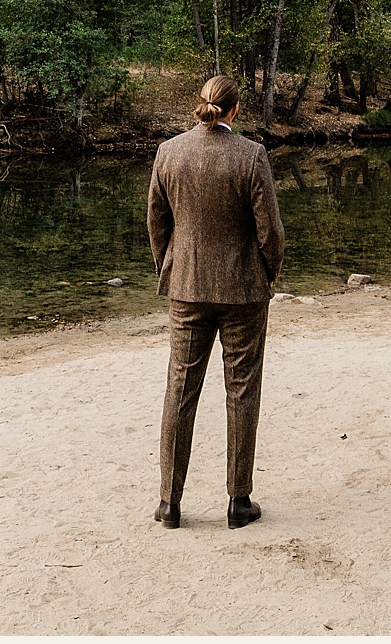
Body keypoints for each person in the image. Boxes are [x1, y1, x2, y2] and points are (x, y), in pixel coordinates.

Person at [145, 73, 285, 529]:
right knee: (241, 390)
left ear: (199, 106)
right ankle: (238, 502)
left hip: (187, 289)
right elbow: (271, 233)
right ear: (235, 110)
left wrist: (169, 266)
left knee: (180, 390)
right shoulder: (252, 156)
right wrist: (267, 274)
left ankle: (169, 504)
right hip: (243, 290)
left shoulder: (170, 153)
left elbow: (156, 222)